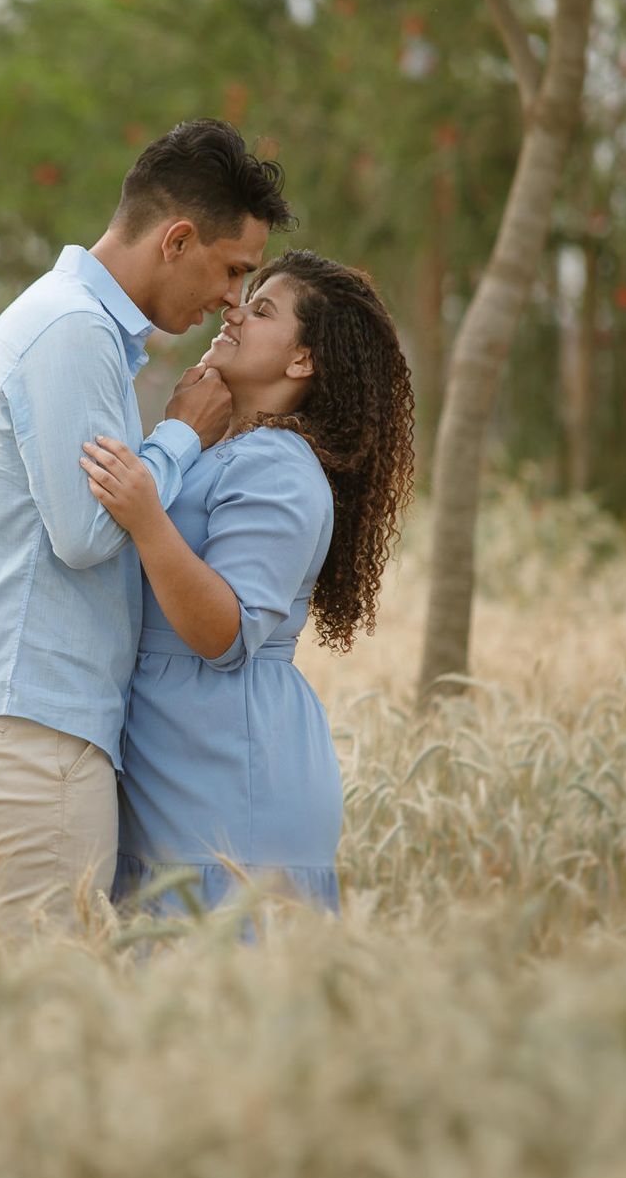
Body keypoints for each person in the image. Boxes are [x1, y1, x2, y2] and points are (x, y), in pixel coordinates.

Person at [0, 119, 293, 935]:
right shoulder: (73, 328)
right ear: (178, 239)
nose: (232, 301)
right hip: (24, 733)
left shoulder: (66, 322)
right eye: (233, 271)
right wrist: (182, 431)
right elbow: (86, 533)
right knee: (52, 1016)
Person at [78, 250, 415, 920]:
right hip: (186, 761)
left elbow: (223, 631)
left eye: (262, 310)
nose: (234, 310)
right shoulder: (230, 450)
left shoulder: (278, 466)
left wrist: (146, 516)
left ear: (302, 362)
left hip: (230, 782)